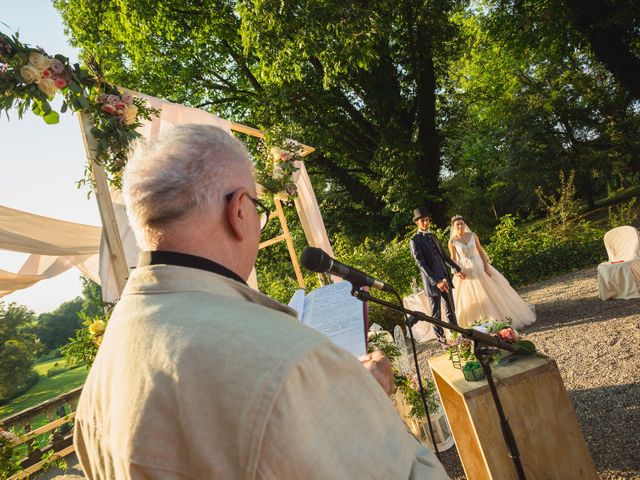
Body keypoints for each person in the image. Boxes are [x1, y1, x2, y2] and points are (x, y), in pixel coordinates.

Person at [73, 124, 449, 479]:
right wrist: (365, 401)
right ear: (238, 210)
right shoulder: (290, 363)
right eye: (257, 206)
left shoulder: (108, 359)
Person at [448, 215, 536, 329]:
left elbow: (481, 251)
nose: (460, 226)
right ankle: (481, 323)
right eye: (457, 224)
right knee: (472, 296)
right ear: (453, 227)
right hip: (465, 270)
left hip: (479, 266)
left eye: (462, 223)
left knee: (493, 292)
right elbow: (453, 259)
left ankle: (502, 317)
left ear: (465, 224)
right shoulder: (452, 241)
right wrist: (455, 271)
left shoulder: (472, 235)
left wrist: (486, 267)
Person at [409, 207, 464, 346]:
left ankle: (457, 336)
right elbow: (421, 264)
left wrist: (457, 268)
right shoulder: (415, 240)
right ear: (417, 223)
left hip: (445, 277)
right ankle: (442, 340)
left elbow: (443, 255)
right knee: (436, 314)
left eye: (427, 220)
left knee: (451, 309)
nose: (426, 223)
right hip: (432, 282)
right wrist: (436, 281)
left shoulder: (434, 236)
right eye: (423, 221)